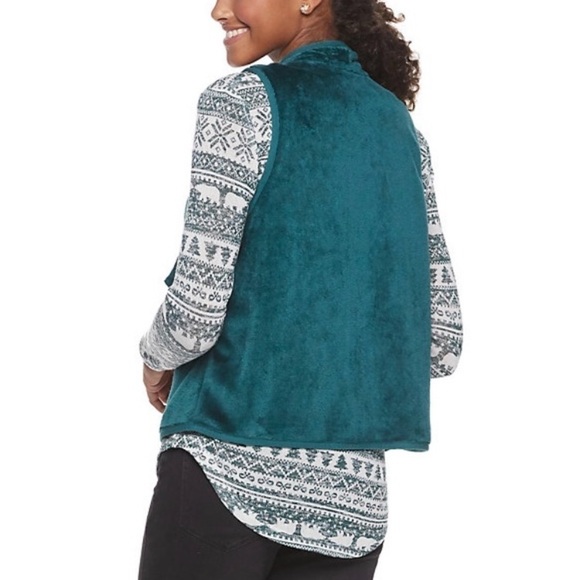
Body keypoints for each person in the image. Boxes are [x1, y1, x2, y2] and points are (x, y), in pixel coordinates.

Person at [137, 1, 462, 579]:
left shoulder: (241, 102)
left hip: (226, 470)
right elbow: (442, 344)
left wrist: (154, 357)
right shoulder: (404, 134)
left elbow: (194, 315)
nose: (218, 10)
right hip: (350, 510)